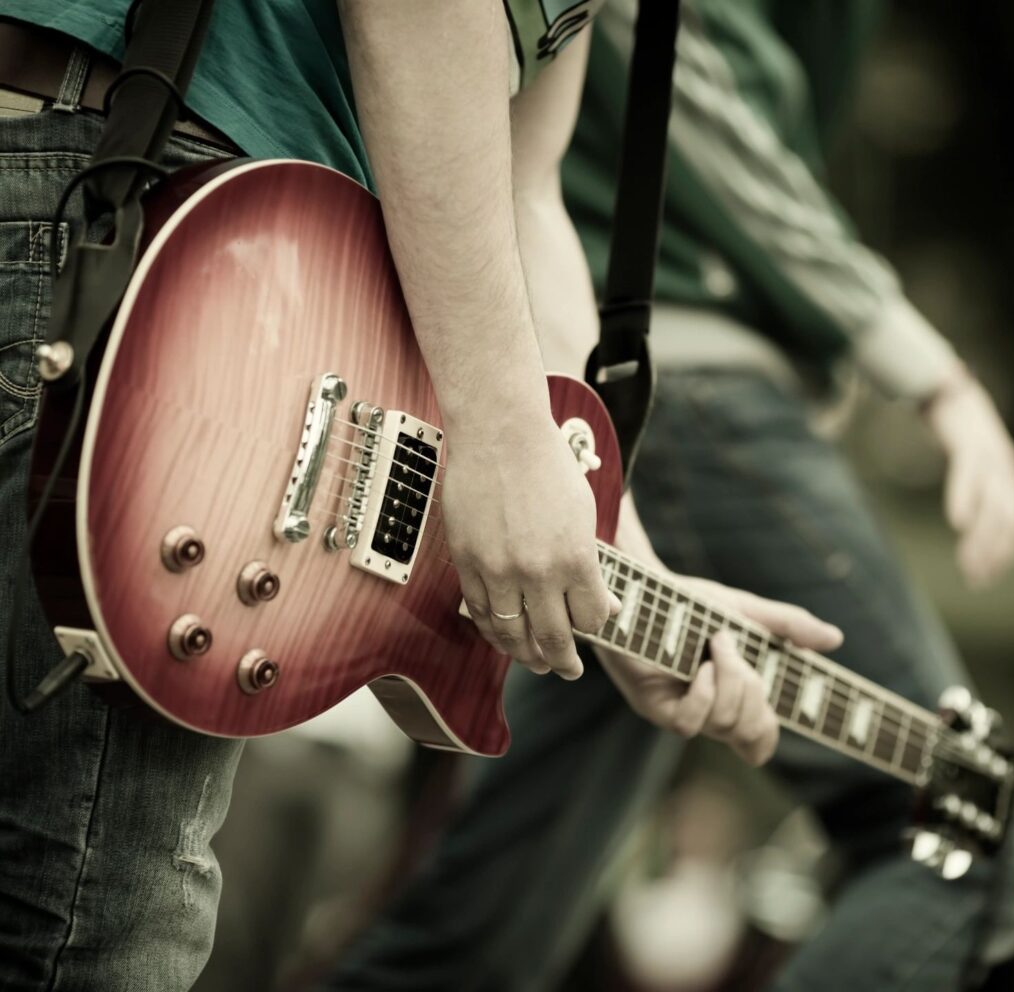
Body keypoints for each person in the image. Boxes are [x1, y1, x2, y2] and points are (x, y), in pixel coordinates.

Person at [0, 3, 842, 989]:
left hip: (139, 216)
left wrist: (618, 565)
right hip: (136, 211)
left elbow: (524, 194)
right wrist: (494, 436)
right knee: (88, 926)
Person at [325, 2, 1014, 990]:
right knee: (961, 824)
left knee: (480, 930)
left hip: (589, 409)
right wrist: (930, 370)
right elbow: (705, 117)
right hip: (686, 401)